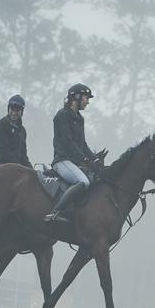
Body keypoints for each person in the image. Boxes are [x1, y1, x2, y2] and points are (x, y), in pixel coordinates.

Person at [45, 83, 99, 223]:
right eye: (86, 98)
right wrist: (85, 160)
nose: (88, 102)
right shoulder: (62, 116)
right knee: (83, 182)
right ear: (77, 97)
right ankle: (56, 212)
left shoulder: (79, 118)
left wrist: (96, 160)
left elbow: (83, 144)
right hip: (62, 161)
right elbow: (69, 143)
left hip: (73, 162)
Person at [0, 94, 30, 168]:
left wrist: (31, 170)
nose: (14, 113)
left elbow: (23, 155)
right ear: (8, 109)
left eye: (17, 110)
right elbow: (3, 151)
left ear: (22, 112)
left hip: (16, 166)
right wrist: (17, 165)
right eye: (12, 109)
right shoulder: (0, 125)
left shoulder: (22, 131)